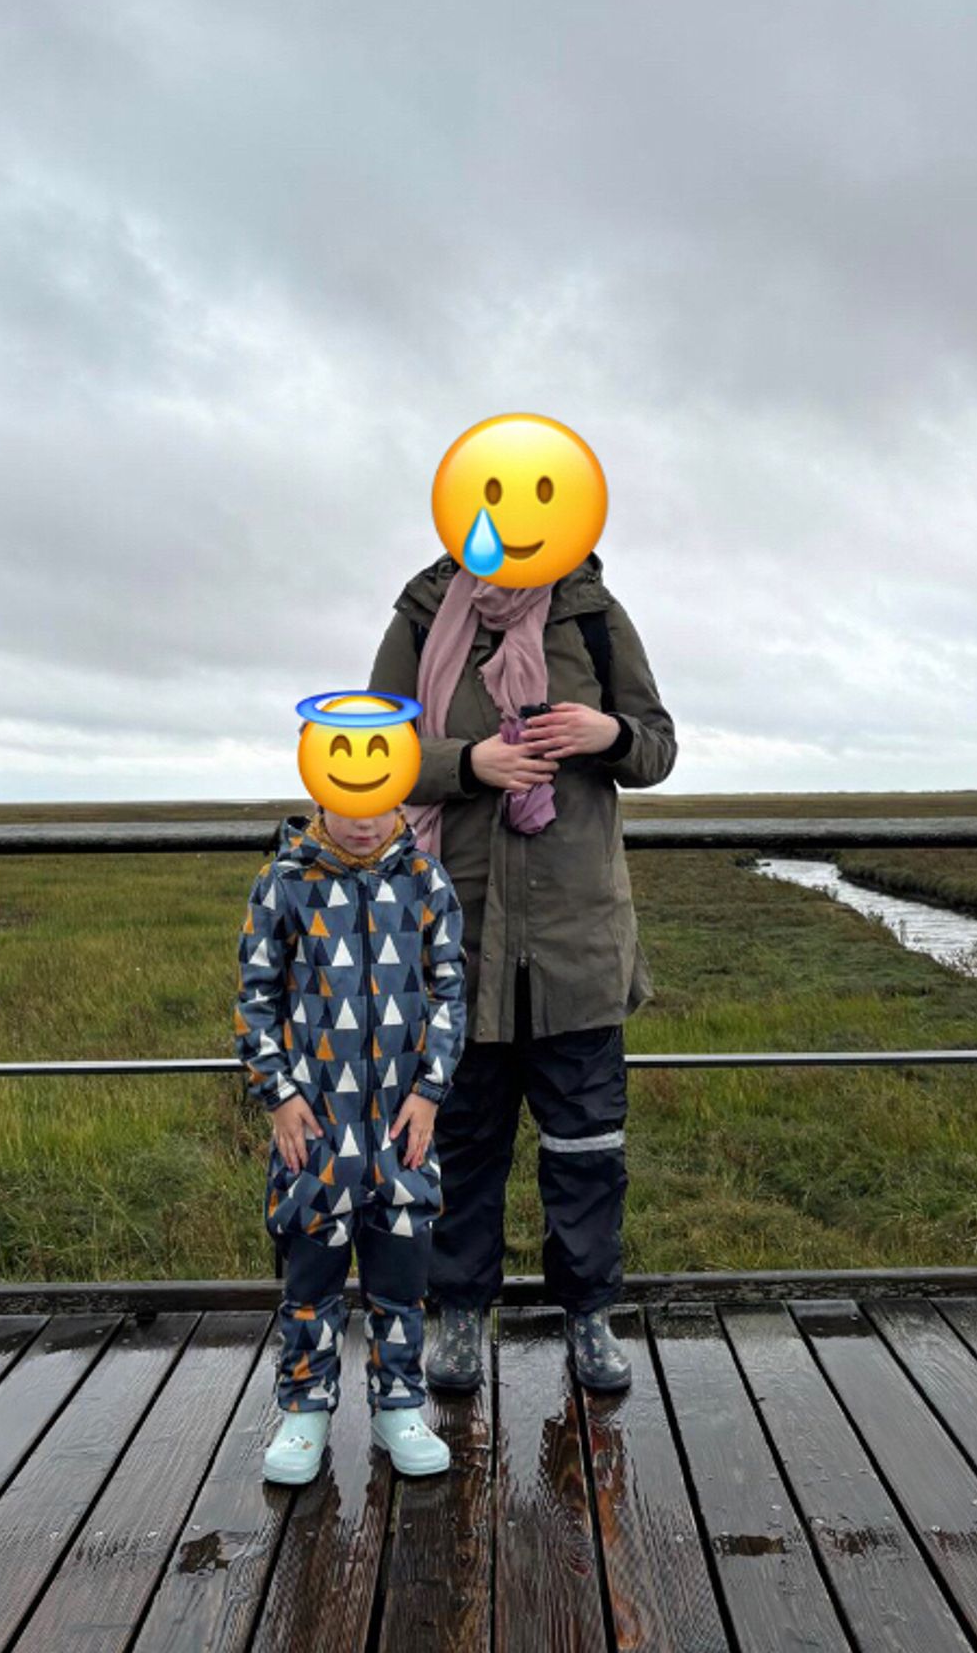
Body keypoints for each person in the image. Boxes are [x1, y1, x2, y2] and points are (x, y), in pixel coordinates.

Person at [368, 547, 676, 1391]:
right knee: (460, 1145)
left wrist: (605, 733)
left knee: (587, 1146)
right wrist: (470, 765)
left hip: (578, 938)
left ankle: (589, 1318)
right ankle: (459, 1319)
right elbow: (368, 755)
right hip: (452, 938)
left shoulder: (591, 612)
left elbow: (656, 748)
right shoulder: (424, 614)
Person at [233, 793, 465, 1484]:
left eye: (377, 806)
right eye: (344, 807)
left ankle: (399, 1405)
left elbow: (449, 991)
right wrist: (276, 1094)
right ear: (318, 800)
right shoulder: (282, 882)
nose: (361, 822)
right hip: (315, 1133)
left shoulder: (425, 880)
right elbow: (255, 997)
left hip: (402, 1130)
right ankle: (304, 1412)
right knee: (311, 1281)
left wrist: (429, 1093)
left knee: (401, 1279)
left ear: (397, 799)